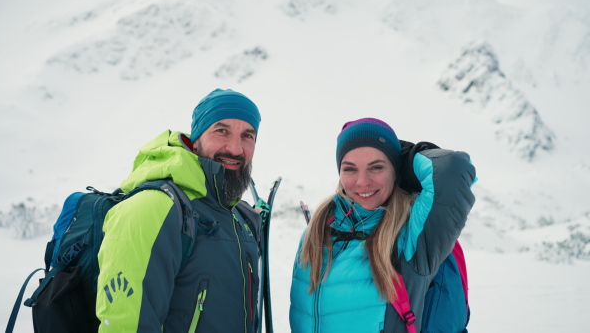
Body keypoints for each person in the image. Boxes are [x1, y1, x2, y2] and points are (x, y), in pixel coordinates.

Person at [95, 89, 264, 332]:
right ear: (195, 141)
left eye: (247, 136)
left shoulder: (236, 216)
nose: (236, 149)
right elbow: (126, 326)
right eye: (221, 131)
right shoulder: (155, 206)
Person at [289, 118, 476, 332]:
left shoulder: (411, 235)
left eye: (376, 167)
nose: (362, 181)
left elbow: (453, 168)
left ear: (397, 171)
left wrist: (403, 157)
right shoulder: (316, 230)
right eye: (350, 169)